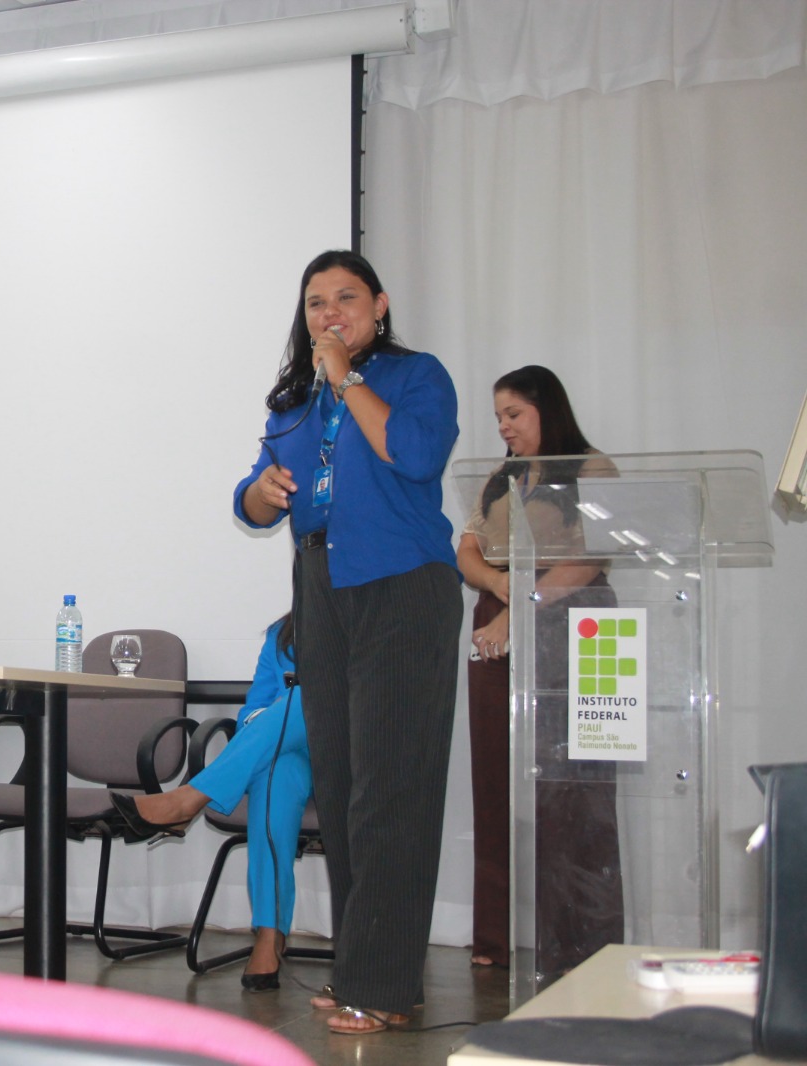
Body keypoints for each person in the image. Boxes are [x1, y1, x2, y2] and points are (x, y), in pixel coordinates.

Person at [232, 250, 461, 1034]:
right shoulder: (296, 402)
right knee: (341, 782)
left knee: (391, 788)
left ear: (379, 305)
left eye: (345, 298)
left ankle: (383, 984)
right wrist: (257, 496)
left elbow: (418, 455)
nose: (329, 313)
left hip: (402, 586)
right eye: (315, 303)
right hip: (322, 589)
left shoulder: (413, 376)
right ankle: (370, 970)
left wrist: (348, 378)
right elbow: (259, 492)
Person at [458, 365, 622, 975]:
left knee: (575, 790)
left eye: (514, 414)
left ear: (546, 410)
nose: (503, 426)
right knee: (495, 785)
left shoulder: (591, 468)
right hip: (497, 616)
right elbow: (467, 549)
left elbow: (590, 556)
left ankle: (584, 945)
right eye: (498, 415)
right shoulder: (499, 479)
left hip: (573, 622)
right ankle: (494, 944)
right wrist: (500, 586)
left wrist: (520, 609)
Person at [110, 614, 311, 991]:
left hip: (345, 762)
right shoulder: (283, 634)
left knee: (307, 696)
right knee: (275, 776)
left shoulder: (360, 621)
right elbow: (253, 709)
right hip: (289, 759)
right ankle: (269, 935)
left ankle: (189, 798)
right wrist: (272, 720)